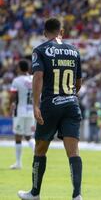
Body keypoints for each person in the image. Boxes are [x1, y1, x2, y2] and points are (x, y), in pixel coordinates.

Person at [18, 18, 83, 200]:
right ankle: (77, 195)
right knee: (73, 152)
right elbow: (78, 82)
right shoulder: (74, 51)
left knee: (40, 149)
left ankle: (35, 193)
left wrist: (36, 105)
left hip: (50, 105)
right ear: (61, 32)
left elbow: (38, 77)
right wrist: (69, 95)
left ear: (45, 33)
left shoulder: (40, 50)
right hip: (71, 105)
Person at [8, 60, 35, 169]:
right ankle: (39, 156)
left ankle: (18, 163)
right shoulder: (33, 79)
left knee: (18, 137)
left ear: (19, 68)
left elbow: (13, 96)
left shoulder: (17, 80)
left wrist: (11, 105)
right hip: (31, 110)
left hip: (20, 111)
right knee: (29, 136)